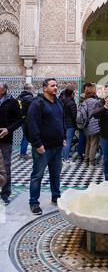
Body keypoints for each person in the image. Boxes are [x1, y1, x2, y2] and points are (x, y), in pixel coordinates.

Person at [27, 78, 66, 215]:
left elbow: (62, 120)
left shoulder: (58, 102)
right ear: (45, 88)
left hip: (57, 146)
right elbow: (32, 125)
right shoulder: (37, 103)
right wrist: (37, 144)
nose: (56, 87)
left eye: (56, 85)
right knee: (37, 175)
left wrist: (64, 137)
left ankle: (56, 196)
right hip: (43, 148)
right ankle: (34, 202)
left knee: (56, 174)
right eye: (52, 85)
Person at [0, 82, 23, 205]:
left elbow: (19, 120)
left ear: (3, 90)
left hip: (5, 140)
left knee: (6, 167)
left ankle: (5, 193)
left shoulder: (12, 102)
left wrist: (8, 130)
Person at [78, 83, 100, 167]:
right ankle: (91, 162)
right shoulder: (95, 102)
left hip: (86, 124)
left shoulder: (84, 101)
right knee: (94, 143)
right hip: (94, 124)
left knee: (88, 142)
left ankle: (86, 160)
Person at [18, 83, 35, 159]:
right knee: (26, 137)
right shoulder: (29, 98)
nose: (33, 90)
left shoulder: (20, 97)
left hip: (22, 119)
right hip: (27, 120)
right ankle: (23, 154)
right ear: (29, 89)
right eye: (33, 88)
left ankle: (23, 153)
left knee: (25, 136)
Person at [61, 87, 77, 162]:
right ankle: (66, 158)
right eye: (73, 93)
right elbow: (74, 115)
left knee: (64, 140)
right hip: (70, 124)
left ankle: (62, 156)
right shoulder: (71, 103)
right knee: (68, 141)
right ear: (71, 94)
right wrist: (76, 124)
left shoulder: (62, 101)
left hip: (63, 123)